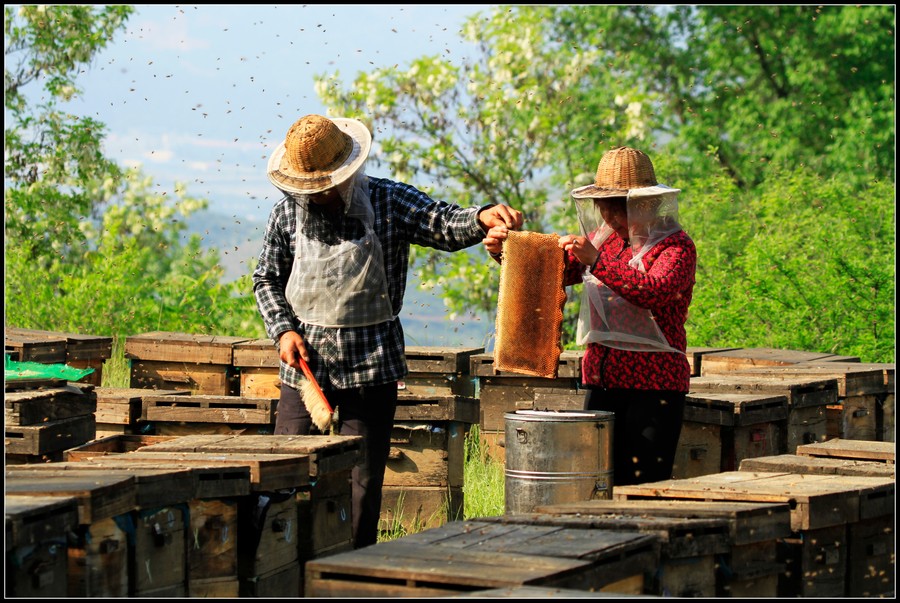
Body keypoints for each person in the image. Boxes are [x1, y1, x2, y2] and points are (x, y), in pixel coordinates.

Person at [252, 113, 523, 548]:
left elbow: (441, 222)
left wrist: (482, 218)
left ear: (348, 170)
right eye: (311, 188)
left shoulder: (389, 200)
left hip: (372, 365)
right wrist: (283, 331)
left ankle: (353, 575)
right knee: (286, 474)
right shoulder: (286, 215)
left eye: (326, 186)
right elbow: (265, 278)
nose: (319, 195)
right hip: (306, 372)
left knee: (362, 485)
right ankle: (286, 573)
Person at [487, 146, 695, 486]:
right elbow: (551, 273)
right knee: (597, 483)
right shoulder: (606, 240)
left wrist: (597, 261)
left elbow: (654, 290)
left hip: (655, 388)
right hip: (602, 380)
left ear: (647, 203)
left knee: (641, 487)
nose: (611, 218)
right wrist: (505, 250)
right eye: (606, 207)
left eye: (619, 208)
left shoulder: (676, 247)